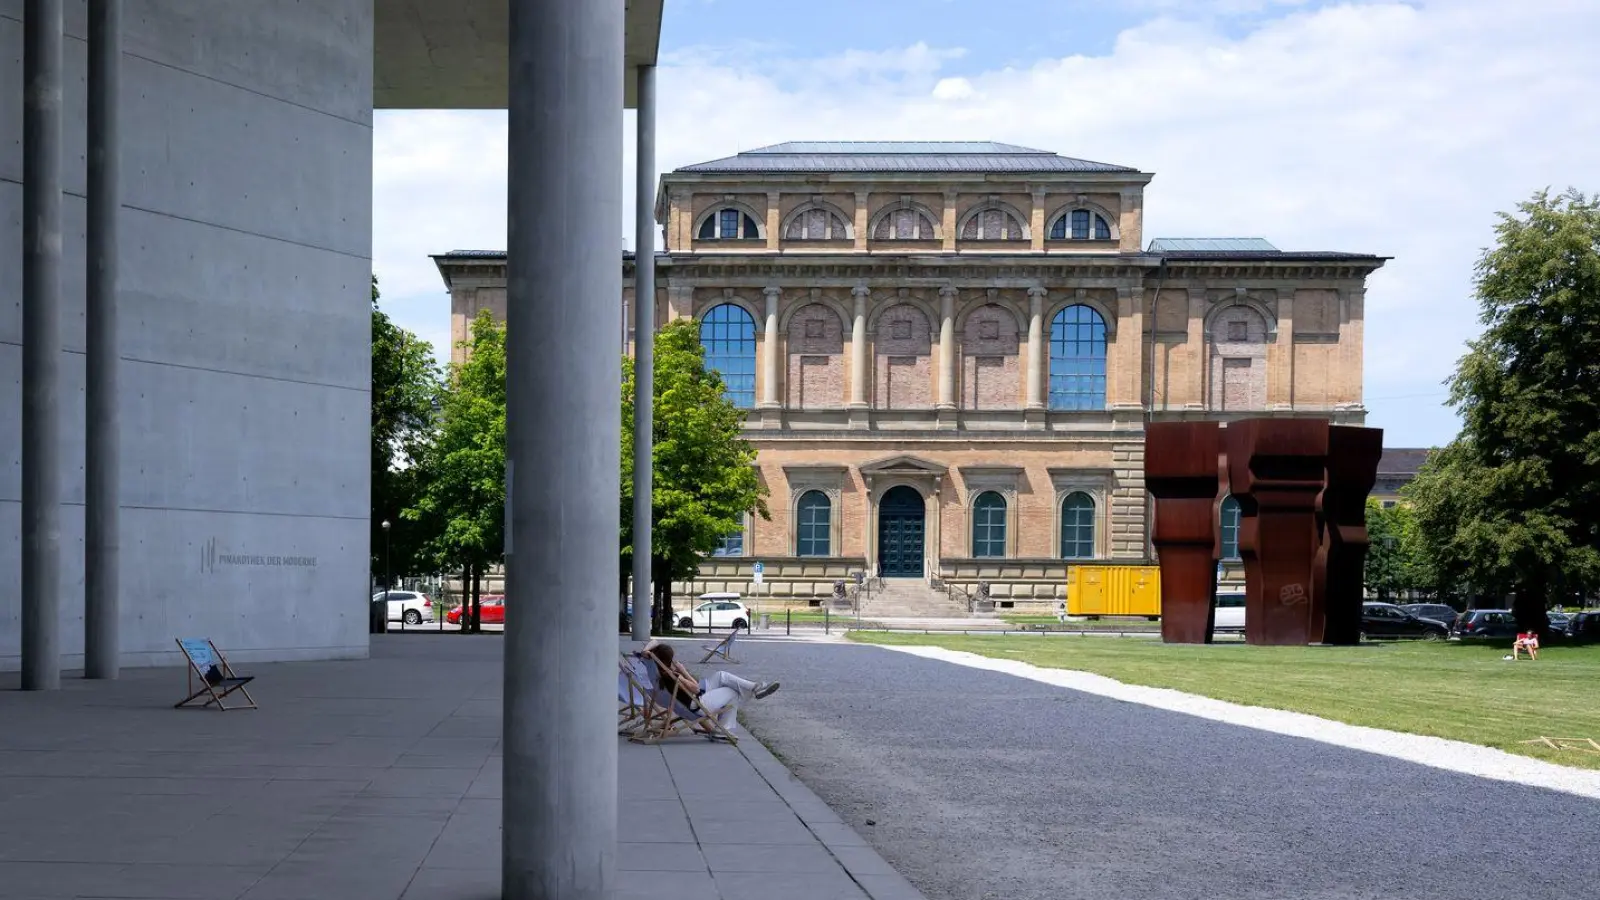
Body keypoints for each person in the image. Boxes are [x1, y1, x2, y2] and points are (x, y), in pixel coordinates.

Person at [637, 641, 779, 734]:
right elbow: (697, 689)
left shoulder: (654, 671)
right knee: (732, 692)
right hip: (696, 705)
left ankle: (755, 688)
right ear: (668, 660)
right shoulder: (672, 677)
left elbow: (654, 642)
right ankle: (723, 730)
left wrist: (646, 652)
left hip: (688, 701)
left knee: (722, 675)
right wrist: (683, 671)